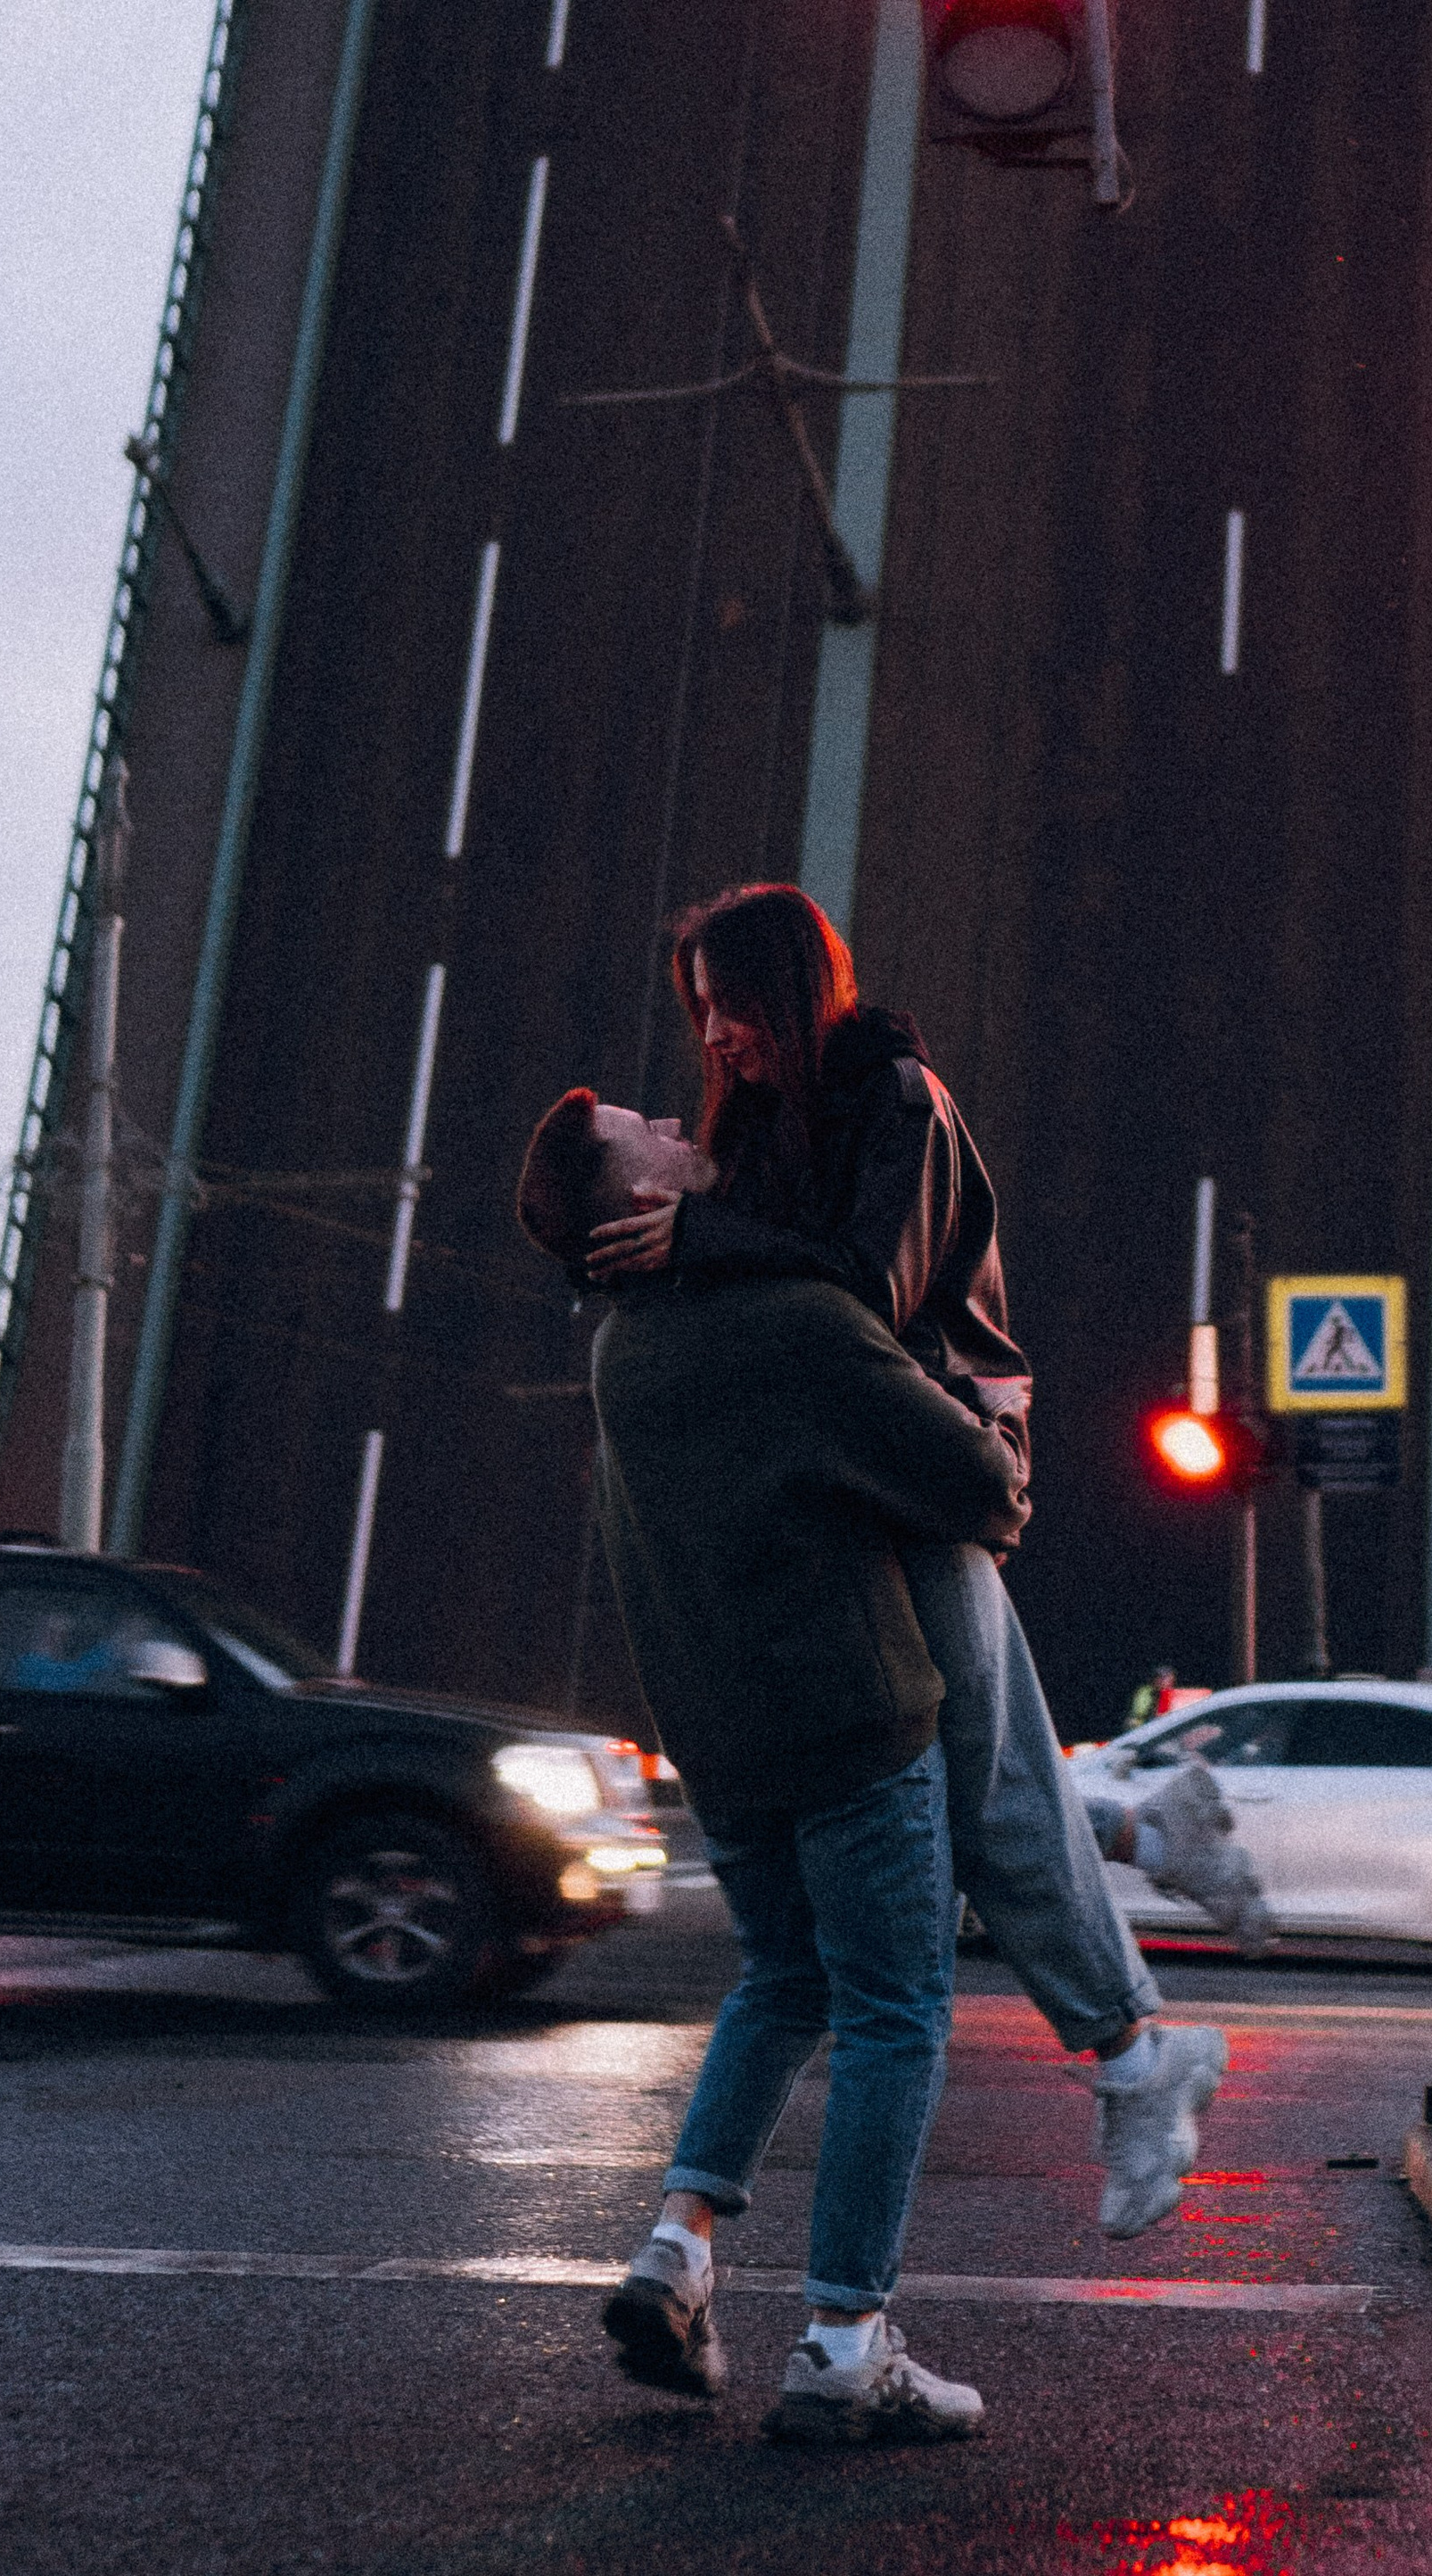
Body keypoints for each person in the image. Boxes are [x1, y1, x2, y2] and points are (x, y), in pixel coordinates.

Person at [580, 885, 1265, 2209]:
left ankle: (1136, 2045)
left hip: (932, 1448)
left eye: (732, 1006)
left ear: (795, 987)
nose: (713, 1039)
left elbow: (862, 1293)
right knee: (972, 1776)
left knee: (982, 1785)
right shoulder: (767, 1124)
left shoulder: (900, 1100)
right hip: (852, 1462)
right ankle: (1139, 1876)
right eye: (699, 1014)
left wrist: (702, 1240)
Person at [522, 1088, 1020, 2441]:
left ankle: (676, 2247)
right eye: (653, 1131)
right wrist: (1004, 1432)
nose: (687, 1124)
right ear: (638, 1203)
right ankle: (848, 2339)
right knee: (895, 2012)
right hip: (852, 1724)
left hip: (724, 1748)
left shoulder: (623, 1350)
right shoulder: (792, 1325)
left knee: (785, 1978)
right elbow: (980, 1490)